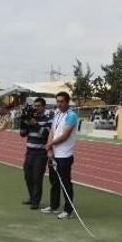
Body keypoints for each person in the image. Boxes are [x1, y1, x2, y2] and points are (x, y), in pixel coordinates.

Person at [43, 91, 78, 220]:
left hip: (65, 155)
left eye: (62, 101)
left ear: (67, 102)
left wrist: (50, 144)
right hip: (54, 154)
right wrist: (49, 148)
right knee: (54, 181)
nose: (59, 104)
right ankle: (54, 205)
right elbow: (52, 131)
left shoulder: (72, 116)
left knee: (65, 183)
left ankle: (68, 210)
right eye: (57, 101)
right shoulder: (57, 114)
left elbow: (65, 135)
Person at [20, 98, 53, 209]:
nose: (36, 108)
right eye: (35, 106)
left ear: (44, 107)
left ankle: (36, 201)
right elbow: (23, 134)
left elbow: (45, 134)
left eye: (38, 106)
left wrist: (35, 124)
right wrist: (23, 123)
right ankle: (31, 197)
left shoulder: (48, 120)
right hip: (29, 152)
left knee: (37, 177)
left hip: (41, 153)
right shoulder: (31, 118)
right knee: (27, 176)